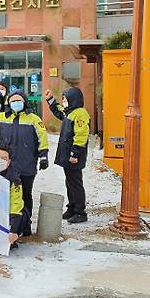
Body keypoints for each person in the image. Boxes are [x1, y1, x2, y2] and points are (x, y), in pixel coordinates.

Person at [0, 90, 48, 233]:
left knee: (26, 194)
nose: (15, 104)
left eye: (19, 101)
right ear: (8, 103)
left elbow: (42, 137)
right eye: (12, 101)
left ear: (24, 102)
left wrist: (43, 156)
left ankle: (26, 224)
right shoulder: (0, 117)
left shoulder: (34, 119)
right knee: (6, 194)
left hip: (27, 163)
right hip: (6, 165)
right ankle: (8, 224)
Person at [44, 87, 91, 224]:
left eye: (65, 99)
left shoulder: (80, 113)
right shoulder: (70, 112)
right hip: (68, 155)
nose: (63, 101)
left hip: (74, 155)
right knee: (69, 181)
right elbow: (59, 112)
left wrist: (75, 153)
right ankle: (71, 207)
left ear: (73, 99)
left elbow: (81, 135)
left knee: (75, 183)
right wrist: (50, 99)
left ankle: (80, 212)